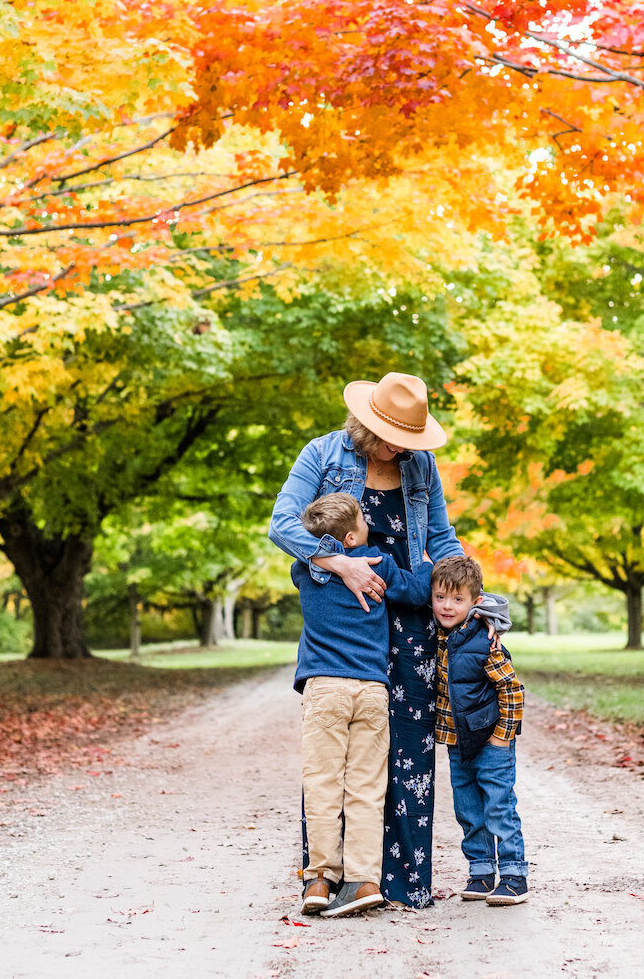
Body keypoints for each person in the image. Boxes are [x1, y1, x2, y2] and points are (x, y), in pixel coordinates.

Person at [270, 370, 507, 908]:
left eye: (407, 440)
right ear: (364, 421)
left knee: (405, 747)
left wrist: (470, 595)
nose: (398, 449)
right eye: (390, 437)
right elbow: (282, 523)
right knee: (337, 758)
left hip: (413, 616)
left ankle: (390, 880)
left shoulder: (420, 465)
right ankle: (325, 876)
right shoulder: (324, 454)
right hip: (353, 616)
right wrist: (339, 563)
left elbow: (443, 540)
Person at [292, 493, 432, 918]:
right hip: (372, 690)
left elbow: (306, 554)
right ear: (352, 536)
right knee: (367, 790)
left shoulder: (304, 570)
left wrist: (325, 555)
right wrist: (425, 561)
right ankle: (365, 880)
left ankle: (319, 878)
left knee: (322, 784)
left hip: (325, 690)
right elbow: (418, 591)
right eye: (363, 519)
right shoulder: (380, 565)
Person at [431, 555, 529, 906]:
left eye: (458, 599)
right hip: (457, 742)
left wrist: (503, 735)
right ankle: (482, 871)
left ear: (476, 602)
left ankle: (515, 876)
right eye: (440, 597)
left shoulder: (484, 641)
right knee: (468, 809)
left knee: (498, 807)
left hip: (491, 741)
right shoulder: (437, 637)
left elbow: (512, 690)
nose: (447, 606)